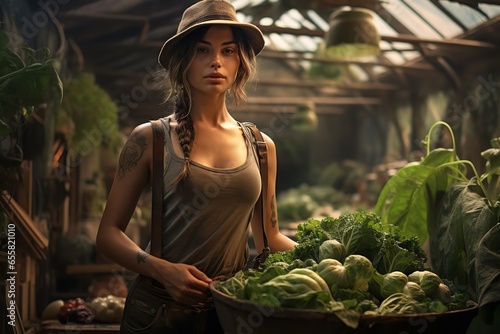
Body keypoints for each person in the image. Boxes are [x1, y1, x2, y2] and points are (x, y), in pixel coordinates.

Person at [96, 0, 297, 332]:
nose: (216, 61)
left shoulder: (261, 146)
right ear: (184, 61)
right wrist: (161, 269)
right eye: (203, 50)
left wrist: (329, 254)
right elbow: (108, 234)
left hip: (231, 313)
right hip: (158, 313)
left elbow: (269, 239)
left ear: (240, 62)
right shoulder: (150, 139)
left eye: (228, 51)